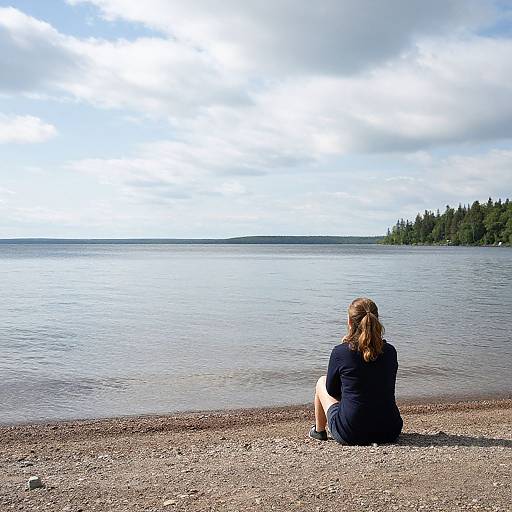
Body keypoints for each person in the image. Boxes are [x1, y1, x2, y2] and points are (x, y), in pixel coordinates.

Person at [309, 297, 403, 445]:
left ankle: (319, 430)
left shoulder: (341, 352)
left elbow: (332, 390)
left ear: (350, 322)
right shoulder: (390, 351)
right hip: (390, 430)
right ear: (376, 320)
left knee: (321, 382)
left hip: (351, 432)